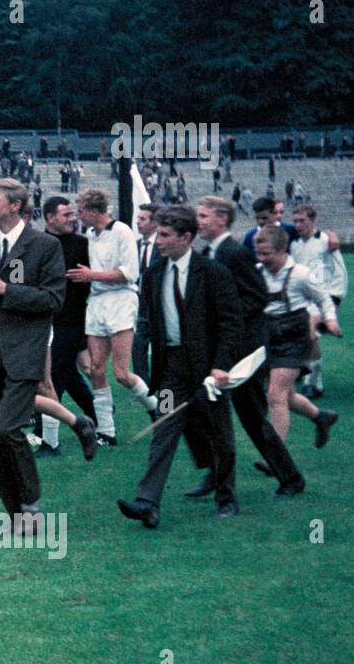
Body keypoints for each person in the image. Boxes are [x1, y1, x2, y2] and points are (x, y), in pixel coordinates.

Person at [117, 205, 243, 529]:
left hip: (207, 370)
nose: (158, 241)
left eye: (166, 235)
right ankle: (147, 503)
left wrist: (220, 367)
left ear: (187, 237)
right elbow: (145, 323)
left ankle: (226, 499)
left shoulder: (213, 273)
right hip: (172, 368)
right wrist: (141, 368)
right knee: (164, 426)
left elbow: (231, 325)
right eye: (158, 234)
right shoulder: (155, 274)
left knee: (220, 434)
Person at [0, 180, 65, 534]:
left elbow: (54, 300)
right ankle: (16, 517)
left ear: (16, 205)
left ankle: (32, 505)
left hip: (25, 352)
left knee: (9, 429)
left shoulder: (45, 245)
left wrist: (8, 289)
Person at [192, 197, 308, 497]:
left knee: (252, 418)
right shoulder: (211, 251)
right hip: (226, 347)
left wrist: (224, 319)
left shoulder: (234, 253)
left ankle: (291, 477)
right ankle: (216, 476)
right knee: (208, 412)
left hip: (244, 351)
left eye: (204, 216)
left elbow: (256, 296)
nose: (199, 221)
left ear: (221, 219)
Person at [68, 189, 159, 446]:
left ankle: (157, 408)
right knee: (96, 369)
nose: (78, 215)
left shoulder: (122, 232)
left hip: (121, 300)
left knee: (120, 372)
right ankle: (107, 431)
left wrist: (91, 275)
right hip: (97, 303)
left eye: (81, 210)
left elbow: (129, 273)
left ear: (94, 211)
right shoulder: (89, 235)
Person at [252, 226, 340, 447]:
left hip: (296, 338)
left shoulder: (300, 274)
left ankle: (276, 455)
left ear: (282, 249)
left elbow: (323, 299)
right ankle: (322, 417)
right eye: (259, 253)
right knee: (287, 396)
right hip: (270, 337)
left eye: (267, 253)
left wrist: (329, 319)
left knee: (275, 395)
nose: (262, 258)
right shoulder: (258, 272)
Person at [37, 196, 99, 455]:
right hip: (46, 319)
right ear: (50, 218)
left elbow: (90, 279)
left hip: (73, 318)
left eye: (73, 214)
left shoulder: (82, 243)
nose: (73, 218)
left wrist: (83, 278)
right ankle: (98, 418)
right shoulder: (38, 244)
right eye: (66, 215)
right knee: (71, 376)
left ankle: (48, 439)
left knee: (54, 377)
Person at [290, 203, 347, 398]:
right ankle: (312, 379)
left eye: (302, 220)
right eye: (295, 221)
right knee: (305, 337)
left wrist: (334, 300)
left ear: (313, 220)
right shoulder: (295, 244)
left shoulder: (326, 242)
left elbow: (340, 274)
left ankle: (312, 383)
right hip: (303, 300)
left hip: (323, 299)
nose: (298, 225)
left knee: (310, 332)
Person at [131, 203, 161, 385]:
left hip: (160, 306)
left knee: (162, 349)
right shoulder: (135, 246)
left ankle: (165, 388)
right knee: (138, 347)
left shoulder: (163, 246)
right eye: (138, 218)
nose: (138, 222)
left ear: (155, 223)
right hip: (142, 305)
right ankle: (143, 387)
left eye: (142, 219)